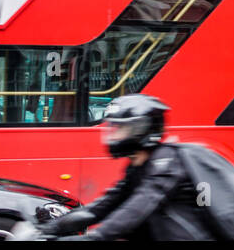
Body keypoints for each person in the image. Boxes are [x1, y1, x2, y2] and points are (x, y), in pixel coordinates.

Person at [33, 95, 213, 241]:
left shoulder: (166, 165)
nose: (113, 135)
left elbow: (133, 212)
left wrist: (94, 237)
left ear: (140, 129)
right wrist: (50, 228)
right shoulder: (137, 166)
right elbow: (101, 207)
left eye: (120, 128)